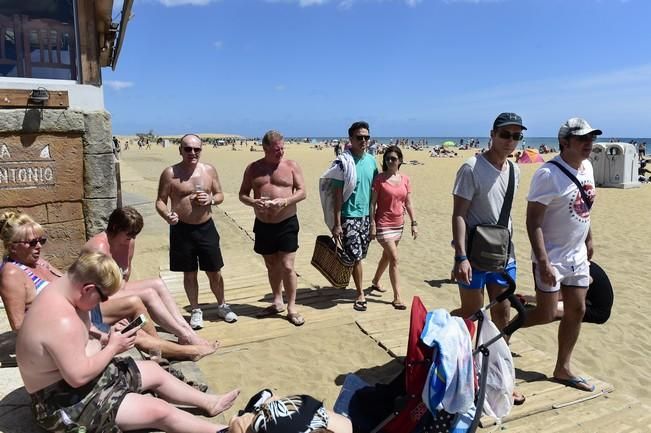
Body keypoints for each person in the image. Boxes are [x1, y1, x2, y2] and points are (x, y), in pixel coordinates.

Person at [16, 251, 240, 433]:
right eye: (102, 297)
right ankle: (222, 432)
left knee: (153, 370)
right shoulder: (61, 320)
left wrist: (103, 337)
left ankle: (209, 402)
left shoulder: (63, 289)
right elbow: (77, 377)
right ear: (88, 289)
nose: (102, 304)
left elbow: (81, 333)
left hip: (79, 380)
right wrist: (114, 346)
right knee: (158, 411)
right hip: (63, 402)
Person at [0, 211, 216, 361]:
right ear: (12, 246)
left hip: (81, 309)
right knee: (131, 333)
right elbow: (19, 325)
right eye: (31, 243)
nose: (38, 247)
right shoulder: (12, 273)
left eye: (41, 241)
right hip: (66, 323)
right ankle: (187, 350)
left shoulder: (38, 262)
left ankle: (161, 348)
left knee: (134, 306)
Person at [451, 113, 525, 405]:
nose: (510, 141)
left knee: (503, 316)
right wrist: (461, 256)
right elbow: (459, 214)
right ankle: (451, 343)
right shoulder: (471, 168)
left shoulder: (515, 170)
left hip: (504, 254)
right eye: (505, 134)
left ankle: (502, 379)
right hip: (474, 254)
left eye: (516, 136)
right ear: (492, 134)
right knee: (472, 315)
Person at [522, 117, 601, 392]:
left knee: (576, 310)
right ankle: (505, 327)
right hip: (552, 256)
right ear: (565, 142)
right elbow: (533, 222)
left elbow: (586, 207)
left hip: (578, 255)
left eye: (591, 138)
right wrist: (543, 260)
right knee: (545, 314)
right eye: (582, 139)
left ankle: (562, 367)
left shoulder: (588, 167)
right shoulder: (547, 175)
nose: (589, 143)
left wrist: (589, 238)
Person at [83, 206, 217, 350]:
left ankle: (185, 329)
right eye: (129, 234)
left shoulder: (129, 242)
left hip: (117, 289)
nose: (132, 238)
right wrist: (121, 310)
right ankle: (184, 336)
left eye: (135, 235)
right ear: (115, 227)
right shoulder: (98, 248)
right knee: (149, 294)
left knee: (157, 283)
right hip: (98, 299)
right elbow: (96, 290)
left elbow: (126, 275)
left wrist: (124, 293)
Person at [156, 133, 237, 329]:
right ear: (180, 150)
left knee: (214, 271)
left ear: (201, 150)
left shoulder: (209, 170)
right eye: (188, 149)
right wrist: (167, 215)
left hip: (206, 227)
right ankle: (195, 310)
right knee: (189, 272)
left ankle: (222, 305)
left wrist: (211, 200)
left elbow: (219, 194)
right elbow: (160, 201)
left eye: (197, 149)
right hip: (182, 230)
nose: (192, 153)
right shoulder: (170, 173)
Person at [238, 130, 307, 326]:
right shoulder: (253, 168)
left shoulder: (291, 166)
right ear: (265, 148)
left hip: (286, 222)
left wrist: (285, 201)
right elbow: (242, 194)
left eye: (283, 148)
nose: (281, 153)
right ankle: (277, 301)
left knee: (287, 266)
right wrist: (253, 203)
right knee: (271, 265)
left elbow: (302, 192)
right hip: (263, 224)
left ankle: (292, 307)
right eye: (277, 149)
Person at [326, 121, 378, 311]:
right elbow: (337, 196)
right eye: (359, 137)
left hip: (365, 216)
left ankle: (347, 281)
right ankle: (360, 294)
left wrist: (373, 221)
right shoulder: (343, 163)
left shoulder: (372, 161)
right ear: (351, 139)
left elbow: (374, 194)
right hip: (349, 216)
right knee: (357, 257)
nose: (363, 140)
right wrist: (337, 223)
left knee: (359, 254)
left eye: (366, 137)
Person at [368, 145, 417, 310]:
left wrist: (413, 222)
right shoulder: (380, 179)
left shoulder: (405, 179)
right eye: (387, 158)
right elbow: (372, 203)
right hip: (382, 223)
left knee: (387, 257)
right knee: (394, 258)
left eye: (393, 159)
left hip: (399, 224)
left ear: (400, 161)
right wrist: (372, 224)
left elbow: (408, 203)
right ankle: (397, 297)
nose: (390, 161)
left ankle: (375, 281)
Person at [228, 390, 352, 433]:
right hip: (265, 417)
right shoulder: (247, 424)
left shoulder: (344, 425)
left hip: (297, 410)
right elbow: (237, 424)